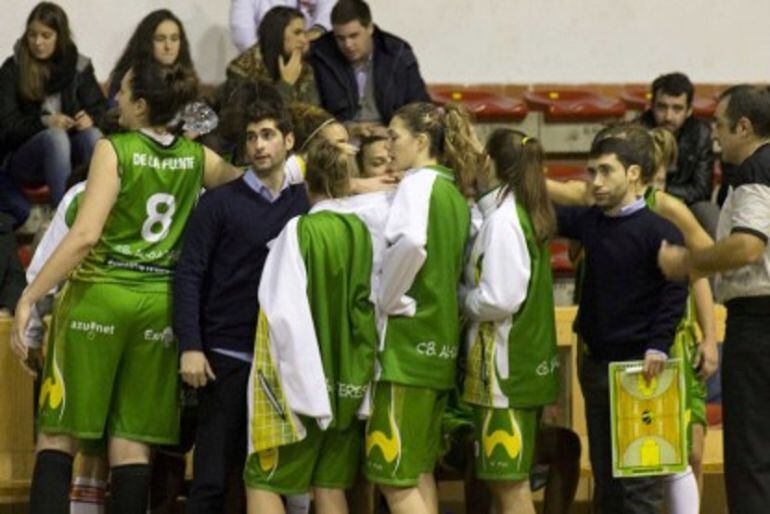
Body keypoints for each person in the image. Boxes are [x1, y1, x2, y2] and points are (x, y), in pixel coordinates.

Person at [10, 58, 242, 514]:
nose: (115, 95)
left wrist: (30, 297)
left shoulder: (113, 149)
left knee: (58, 434)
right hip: (160, 306)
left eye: (124, 90)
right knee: (132, 442)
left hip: (100, 298)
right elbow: (249, 183)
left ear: (140, 105)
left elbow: (85, 235)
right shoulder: (198, 158)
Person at [174, 97, 310, 514]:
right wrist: (191, 345)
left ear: (288, 141)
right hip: (226, 355)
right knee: (211, 479)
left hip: (281, 361)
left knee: (279, 481)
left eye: (268, 135)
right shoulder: (218, 202)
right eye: (251, 137)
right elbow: (189, 274)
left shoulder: (305, 201)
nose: (259, 145)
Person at [244, 137, 378, 514]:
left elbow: (283, 314)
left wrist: (298, 387)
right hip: (349, 383)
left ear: (307, 184)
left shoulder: (299, 231)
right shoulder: (364, 231)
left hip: (301, 388)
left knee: (262, 481)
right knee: (330, 487)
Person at [556, 131, 688, 514]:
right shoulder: (590, 222)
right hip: (596, 365)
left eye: (605, 171)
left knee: (641, 485)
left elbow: (674, 292)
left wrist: (658, 344)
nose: (595, 182)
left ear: (632, 173)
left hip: (641, 370)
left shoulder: (661, 231)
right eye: (592, 172)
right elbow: (543, 211)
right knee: (606, 482)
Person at [365, 101, 482, 514]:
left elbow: (412, 243)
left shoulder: (416, 185)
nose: (388, 145)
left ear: (420, 141)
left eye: (394, 137)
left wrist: (390, 297)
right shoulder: (453, 192)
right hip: (439, 346)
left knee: (392, 476)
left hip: (407, 349)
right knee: (418, 471)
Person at [658, 85, 770, 514]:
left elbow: (748, 246)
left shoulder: (755, 168)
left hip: (758, 322)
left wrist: (689, 261)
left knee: (751, 454)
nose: (715, 137)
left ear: (744, 126)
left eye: (720, 126)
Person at [460, 129, 559, 514]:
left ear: (488, 162)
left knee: (510, 484)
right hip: (518, 367)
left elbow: (500, 298)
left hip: (504, 372)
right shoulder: (523, 211)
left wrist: (461, 298)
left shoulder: (504, 220)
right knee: (507, 483)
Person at [0, 1, 106, 206]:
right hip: (26, 161)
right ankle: (63, 215)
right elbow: (6, 127)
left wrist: (91, 118)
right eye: (32, 35)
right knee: (55, 137)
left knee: (92, 135)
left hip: (71, 156)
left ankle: (96, 209)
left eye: (46, 35)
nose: (38, 42)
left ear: (60, 37)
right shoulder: (13, 68)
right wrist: (45, 122)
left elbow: (102, 109)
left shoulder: (78, 66)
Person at [309, 0, 430, 124]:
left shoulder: (398, 54)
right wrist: (347, 129)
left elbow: (420, 107)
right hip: (339, 132)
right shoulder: (320, 56)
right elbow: (312, 113)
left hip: (390, 131)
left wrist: (395, 130)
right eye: (340, 38)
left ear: (370, 28)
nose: (348, 44)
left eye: (354, 36)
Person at [639, 72, 719, 236]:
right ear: (652, 106)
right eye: (662, 107)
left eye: (677, 108)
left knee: (708, 210)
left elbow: (702, 190)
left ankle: (719, 252)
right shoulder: (638, 131)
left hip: (687, 204)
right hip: (645, 200)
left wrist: (664, 190)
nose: (668, 116)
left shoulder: (701, 134)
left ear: (689, 110)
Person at [227, 6, 319, 105]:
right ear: (277, 34)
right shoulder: (242, 70)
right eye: (297, 33)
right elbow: (256, 113)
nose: (304, 40)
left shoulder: (303, 68)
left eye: (304, 33)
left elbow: (312, 110)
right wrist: (285, 84)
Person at [230, 0, 334, 53]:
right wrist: (267, 58)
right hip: (265, 60)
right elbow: (242, 33)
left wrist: (317, 30)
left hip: (309, 54)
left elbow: (331, 8)